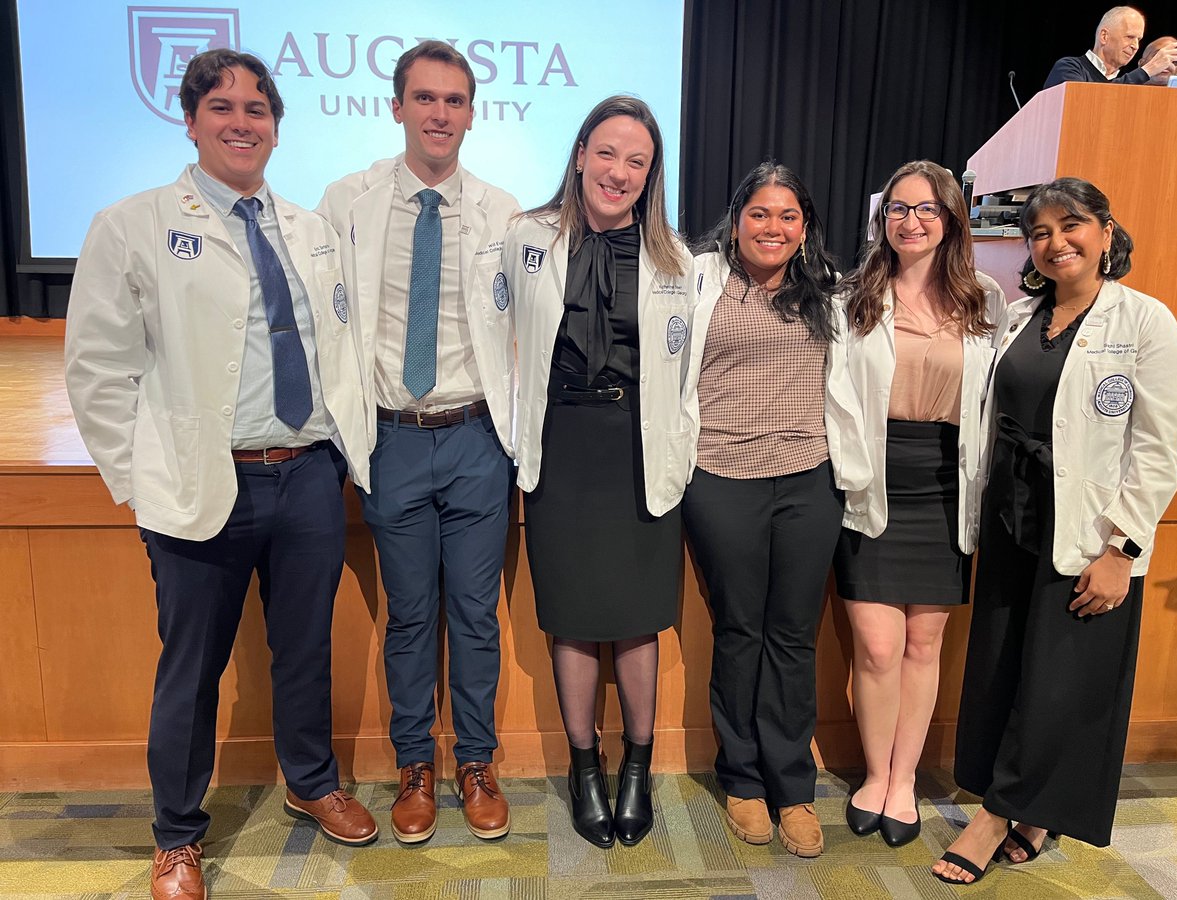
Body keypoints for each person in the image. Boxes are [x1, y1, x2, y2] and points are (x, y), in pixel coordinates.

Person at [64, 49, 376, 900]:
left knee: (304, 651)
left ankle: (310, 783)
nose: (243, 122)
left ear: (277, 125)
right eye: (223, 108)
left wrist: (346, 452)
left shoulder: (310, 229)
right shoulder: (132, 224)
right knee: (191, 665)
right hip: (206, 481)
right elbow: (96, 369)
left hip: (307, 472)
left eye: (258, 109)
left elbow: (337, 348)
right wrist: (141, 478)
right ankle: (177, 836)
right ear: (192, 120)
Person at [932, 178, 1177, 885]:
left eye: (1070, 225)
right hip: (1014, 523)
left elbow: (1156, 450)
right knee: (1003, 668)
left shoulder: (1144, 322)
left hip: (1088, 534)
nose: (1055, 242)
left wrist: (1122, 550)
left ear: (1106, 231)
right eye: (1038, 232)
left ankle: (994, 815)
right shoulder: (1019, 317)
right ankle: (1031, 811)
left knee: (1060, 683)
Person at [317, 40, 519, 844]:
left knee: (475, 615)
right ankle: (414, 765)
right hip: (392, 438)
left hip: (475, 438)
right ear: (397, 107)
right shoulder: (348, 202)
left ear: (472, 113)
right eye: (426, 99)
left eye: (455, 101)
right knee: (410, 616)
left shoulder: (504, 211)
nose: (440, 114)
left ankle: (476, 761)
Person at [502, 95, 695, 849]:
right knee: (575, 619)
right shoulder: (526, 239)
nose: (619, 172)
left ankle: (637, 768)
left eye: (637, 161)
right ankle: (586, 767)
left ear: (651, 177)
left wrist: (681, 447)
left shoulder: (678, 261)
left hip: (639, 446)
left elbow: (692, 378)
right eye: (607, 153)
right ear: (580, 154)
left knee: (638, 619)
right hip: (562, 447)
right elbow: (498, 341)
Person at [682, 162, 869, 857]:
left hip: (808, 479)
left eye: (788, 215)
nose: (773, 227)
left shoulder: (832, 292)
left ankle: (792, 786)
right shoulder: (698, 280)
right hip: (719, 474)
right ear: (737, 220)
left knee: (793, 635)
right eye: (760, 213)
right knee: (739, 631)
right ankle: (742, 781)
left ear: (806, 227)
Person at [833, 161, 1004, 849]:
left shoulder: (984, 299)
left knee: (923, 643)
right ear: (883, 220)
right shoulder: (854, 295)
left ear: (952, 218)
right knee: (877, 647)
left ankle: (904, 780)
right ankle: (875, 774)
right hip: (871, 478)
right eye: (899, 209)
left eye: (927, 209)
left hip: (945, 483)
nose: (911, 221)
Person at [1043, 6, 1177, 89]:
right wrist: (1147, 70)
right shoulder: (1069, 68)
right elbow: (1085, 103)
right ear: (1104, 36)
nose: (1135, 46)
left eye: (1139, 39)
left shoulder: (1127, 82)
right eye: (1129, 37)